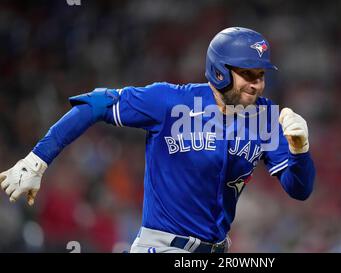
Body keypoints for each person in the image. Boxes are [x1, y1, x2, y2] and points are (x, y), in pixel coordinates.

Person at [0, 27, 315, 253]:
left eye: (261, 75)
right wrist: (37, 160)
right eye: (248, 74)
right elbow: (95, 104)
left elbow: (299, 190)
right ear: (220, 71)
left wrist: (300, 150)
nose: (257, 85)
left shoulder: (264, 118)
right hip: (162, 247)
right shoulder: (169, 101)